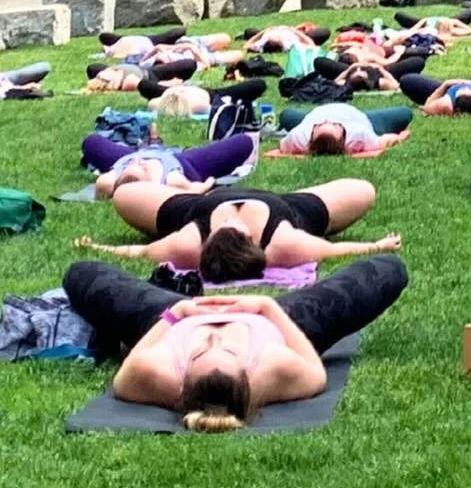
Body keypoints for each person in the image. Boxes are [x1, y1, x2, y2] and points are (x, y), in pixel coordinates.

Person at [63, 255, 407, 431]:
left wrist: (176, 313)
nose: (215, 336)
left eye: (200, 352)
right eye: (227, 352)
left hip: (174, 316)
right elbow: (315, 371)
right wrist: (266, 307)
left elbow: (129, 369)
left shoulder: (157, 376)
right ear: (248, 374)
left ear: (182, 381)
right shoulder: (273, 369)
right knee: (387, 270)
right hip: (268, 320)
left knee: (81, 274)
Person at [74, 183, 401, 278]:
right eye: (237, 230)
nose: (234, 222)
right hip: (291, 207)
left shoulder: (189, 244)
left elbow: (140, 252)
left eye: (224, 229)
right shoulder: (284, 245)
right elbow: (334, 250)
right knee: (363, 190)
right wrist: (378, 245)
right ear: (252, 241)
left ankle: (187, 184)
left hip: (193, 207)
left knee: (125, 194)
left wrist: (96, 248)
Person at [81, 132, 259, 199]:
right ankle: (156, 143)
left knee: (91, 142)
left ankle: (152, 143)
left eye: (134, 166)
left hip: (129, 154)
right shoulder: (171, 180)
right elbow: (199, 189)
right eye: (142, 168)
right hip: (184, 162)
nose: (139, 164)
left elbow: (103, 189)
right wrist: (210, 181)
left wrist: (136, 159)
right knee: (244, 142)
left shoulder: (110, 179)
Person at [265, 102, 414, 157]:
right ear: (344, 137)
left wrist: (304, 156)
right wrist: (401, 136)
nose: (329, 120)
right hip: (363, 119)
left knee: (286, 115)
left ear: (310, 135)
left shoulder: (298, 138)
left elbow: (276, 151)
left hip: (307, 117)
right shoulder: (358, 136)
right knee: (405, 113)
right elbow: (384, 143)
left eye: (320, 125)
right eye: (336, 125)